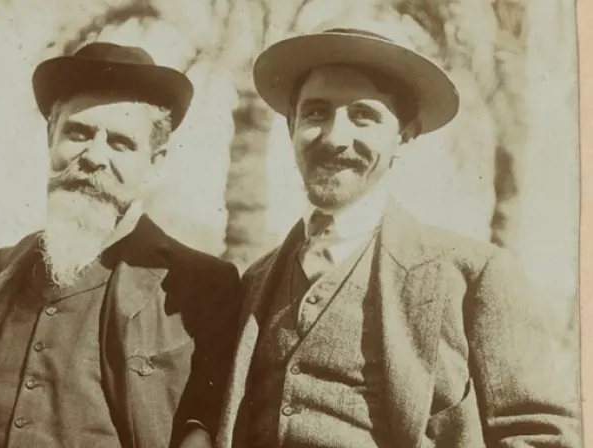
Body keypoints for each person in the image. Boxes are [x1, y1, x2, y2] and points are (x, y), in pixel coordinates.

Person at [216, 19, 581, 448]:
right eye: (316, 113)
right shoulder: (256, 281)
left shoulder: (472, 276)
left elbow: (542, 436)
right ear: (291, 126)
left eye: (364, 117)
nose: (335, 137)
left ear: (404, 138)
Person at [0, 42, 241, 448]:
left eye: (120, 143)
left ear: (154, 162)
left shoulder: (201, 285)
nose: (93, 156)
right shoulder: (0, 269)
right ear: (51, 137)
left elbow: (205, 426)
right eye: (78, 133)